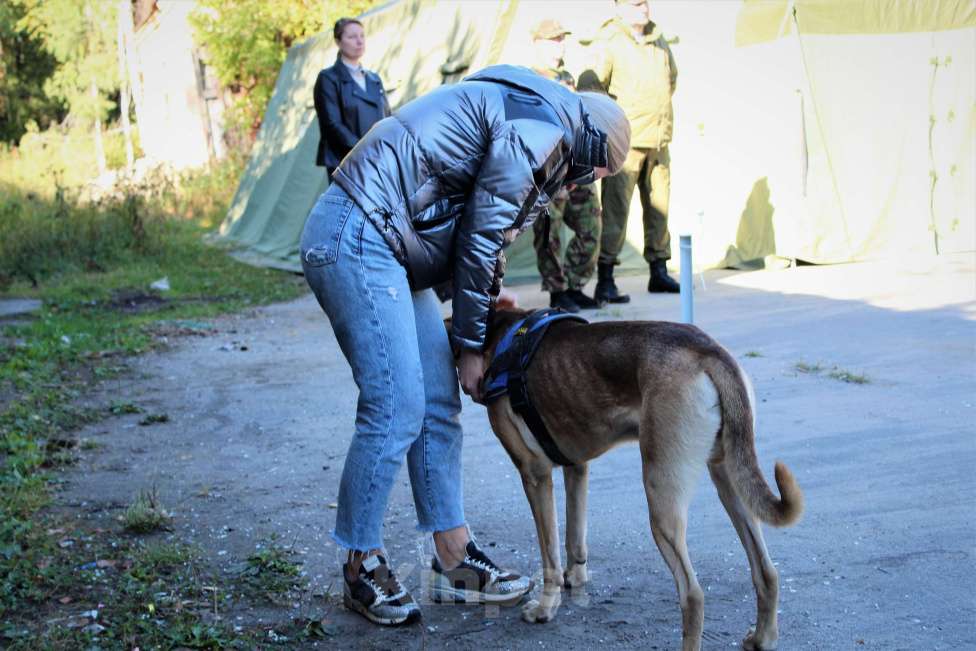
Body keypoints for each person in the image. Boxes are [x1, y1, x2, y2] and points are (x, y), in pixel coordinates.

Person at [300, 64, 630, 626]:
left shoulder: (534, 116)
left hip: (390, 241)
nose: (582, 186)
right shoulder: (541, 130)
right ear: (590, 142)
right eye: (593, 174)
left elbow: (468, 222)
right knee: (395, 406)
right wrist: (472, 344)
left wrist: (478, 306)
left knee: (437, 402)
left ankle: (454, 559)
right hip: (358, 234)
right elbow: (480, 237)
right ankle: (361, 566)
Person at [588, 0, 680, 303]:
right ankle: (606, 279)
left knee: (659, 209)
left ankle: (659, 270)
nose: (644, 7)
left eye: (645, 2)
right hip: (625, 142)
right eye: (635, 3)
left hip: (659, 138)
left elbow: (672, 80)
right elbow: (592, 85)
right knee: (616, 212)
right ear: (620, 7)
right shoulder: (610, 41)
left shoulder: (659, 39)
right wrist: (612, 127)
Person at [529, 19, 603, 312]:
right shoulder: (529, 78)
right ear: (536, 44)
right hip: (549, 169)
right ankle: (557, 292)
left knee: (591, 224)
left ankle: (574, 285)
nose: (558, 45)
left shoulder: (568, 76)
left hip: (578, 165)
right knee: (550, 232)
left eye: (561, 39)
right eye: (552, 40)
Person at [313, 18, 391, 177]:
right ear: (338, 42)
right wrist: (364, 150)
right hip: (346, 163)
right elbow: (332, 125)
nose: (359, 41)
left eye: (362, 36)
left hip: (379, 159)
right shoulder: (328, 79)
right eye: (352, 37)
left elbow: (387, 117)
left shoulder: (373, 79)